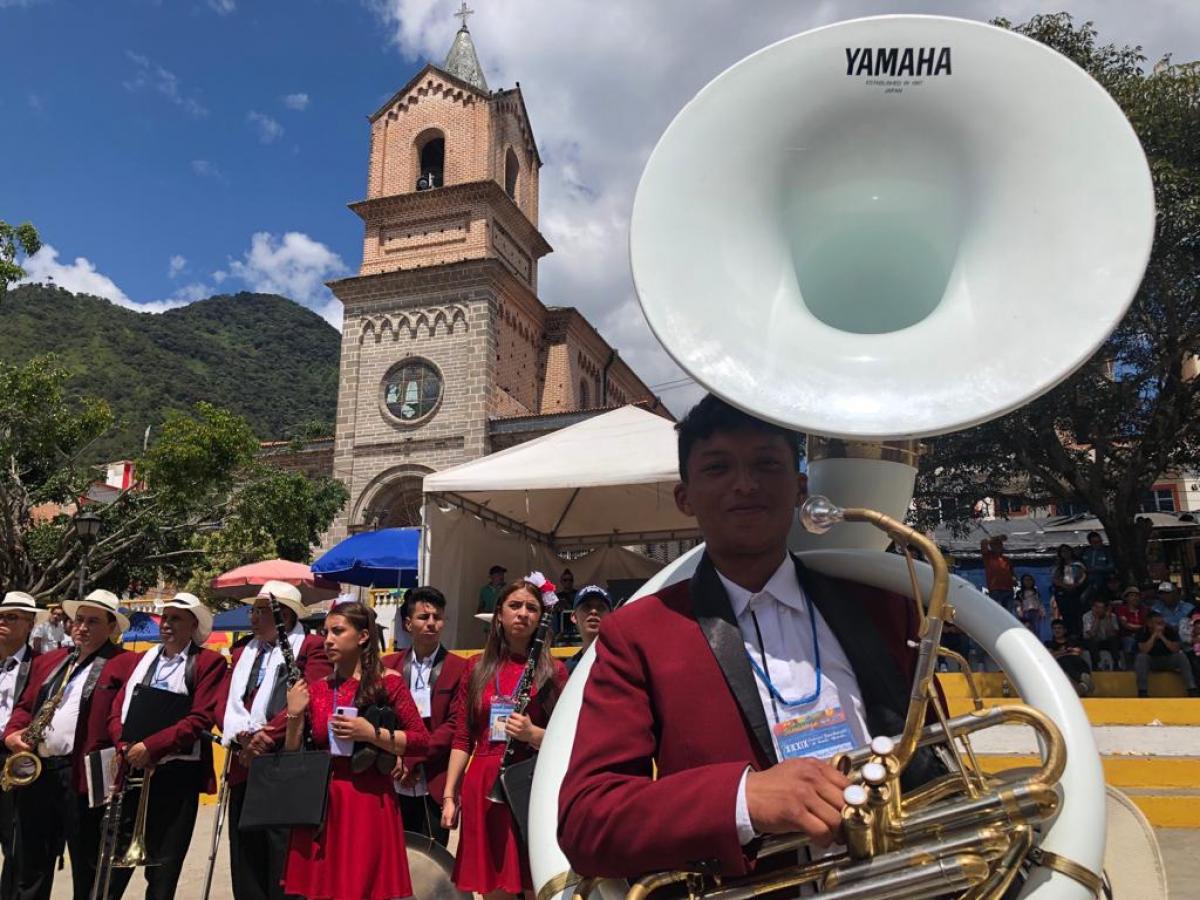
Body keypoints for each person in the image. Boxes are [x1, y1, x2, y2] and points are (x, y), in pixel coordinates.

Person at [559, 394, 942, 880]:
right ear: (685, 497)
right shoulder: (636, 633)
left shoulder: (886, 606)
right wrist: (742, 799)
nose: (746, 484)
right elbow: (586, 821)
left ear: (800, 487)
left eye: (767, 463)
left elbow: (932, 757)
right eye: (718, 468)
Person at [282, 601, 429, 900]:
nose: (328, 640)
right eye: (325, 633)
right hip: (326, 798)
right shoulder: (318, 687)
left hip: (369, 798)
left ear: (363, 636)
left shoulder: (388, 682)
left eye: (338, 631)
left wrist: (372, 734)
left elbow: (420, 740)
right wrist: (294, 714)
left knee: (365, 888)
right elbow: (292, 750)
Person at [3, 589, 135, 900]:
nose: (82, 627)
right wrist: (13, 735)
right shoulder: (51, 659)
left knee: (86, 862)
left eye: (93, 621)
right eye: (78, 620)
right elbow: (24, 706)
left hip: (84, 775)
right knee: (31, 860)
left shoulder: (125, 663)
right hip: (39, 771)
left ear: (112, 627)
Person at [442, 577, 568, 899]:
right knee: (495, 889)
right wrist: (449, 795)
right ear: (499, 614)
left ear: (541, 618)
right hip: (484, 785)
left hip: (529, 783)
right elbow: (462, 736)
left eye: (531, 608)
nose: (523, 613)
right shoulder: (476, 668)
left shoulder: (554, 670)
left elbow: (568, 738)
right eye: (515, 606)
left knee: (536, 883)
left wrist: (533, 734)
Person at [104, 593, 227, 900]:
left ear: (193, 625)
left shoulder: (208, 662)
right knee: (114, 869)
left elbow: (199, 717)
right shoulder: (143, 658)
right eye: (166, 617)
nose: (167, 624)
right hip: (133, 769)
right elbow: (118, 708)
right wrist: (125, 745)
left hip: (177, 774)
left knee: (164, 869)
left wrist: (152, 747)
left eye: (176, 618)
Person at [215, 580, 331, 900]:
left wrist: (266, 737)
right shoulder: (242, 651)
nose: (254, 618)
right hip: (243, 759)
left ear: (288, 615)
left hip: (284, 761)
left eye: (263, 611)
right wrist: (242, 735)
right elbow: (223, 701)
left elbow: (309, 696)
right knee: (245, 853)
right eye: (253, 610)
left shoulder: (309, 648)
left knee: (282, 851)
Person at [383, 586, 468, 847]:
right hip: (394, 774)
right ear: (408, 623)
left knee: (433, 860)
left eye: (437, 617)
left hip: (435, 777)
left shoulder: (458, 667)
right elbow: (384, 718)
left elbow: (455, 723)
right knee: (393, 855)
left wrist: (414, 755)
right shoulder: (389, 666)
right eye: (423, 617)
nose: (431, 623)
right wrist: (397, 756)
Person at [0, 592, 46, 897]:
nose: (2, 621)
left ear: (29, 624)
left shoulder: (40, 667)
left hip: (13, 757)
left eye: (12, 617)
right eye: (1, 615)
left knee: (16, 845)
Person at [1133, 610, 1199, 698]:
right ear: (1149, 624)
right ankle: (1142, 691)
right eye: (1158, 623)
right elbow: (1144, 650)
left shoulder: (1169, 630)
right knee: (1141, 657)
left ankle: (1192, 689)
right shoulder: (1142, 631)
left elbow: (1176, 649)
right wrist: (1153, 636)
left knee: (1181, 656)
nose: (1161, 625)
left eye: (1162, 623)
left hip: (1168, 659)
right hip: (1151, 661)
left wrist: (1162, 637)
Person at [564, 585, 612, 676]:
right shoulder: (567, 670)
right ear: (574, 617)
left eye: (601, 607)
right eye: (586, 607)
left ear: (611, 616)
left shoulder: (622, 663)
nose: (594, 611)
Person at [1044, 619, 1094, 697]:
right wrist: (1067, 651)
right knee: (1064, 661)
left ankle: (1083, 683)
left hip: (1076, 663)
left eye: (1059, 628)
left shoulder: (1072, 641)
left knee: (1071, 660)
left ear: (1064, 630)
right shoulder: (1049, 643)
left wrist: (1060, 653)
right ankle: (1083, 683)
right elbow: (1050, 656)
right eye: (1055, 628)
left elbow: (1078, 652)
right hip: (1061, 666)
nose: (1057, 630)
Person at [1051, 544, 1088, 636]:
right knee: (1066, 615)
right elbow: (1055, 579)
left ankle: (1079, 635)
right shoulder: (1058, 565)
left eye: (1067, 551)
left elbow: (1083, 576)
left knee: (1078, 615)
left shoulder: (1078, 564)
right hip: (1063, 593)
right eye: (1062, 552)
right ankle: (1069, 634)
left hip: (1076, 591)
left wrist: (1076, 585)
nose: (1065, 553)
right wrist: (1064, 585)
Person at [1081, 598, 1121, 671]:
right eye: (1096, 607)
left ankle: (1117, 664)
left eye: (1101, 607)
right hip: (1091, 641)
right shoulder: (1087, 616)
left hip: (1105, 640)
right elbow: (1092, 634)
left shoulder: (1112, 616)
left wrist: (1108, 618)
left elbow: (1112, 634)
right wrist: (1097, 618)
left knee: (1114, 640)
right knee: (1092, 641)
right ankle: (1097, 665)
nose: (1098, 610)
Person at [1114, 585, 1149, 667]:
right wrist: (1141, 627)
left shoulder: (1144, 609)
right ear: (1126, 598)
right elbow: (1126, 625)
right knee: (1129, 642)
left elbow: (1148, 624)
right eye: (1132, 596)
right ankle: (1130, 668)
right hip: (1128, 635)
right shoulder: (1121, 609)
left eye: (1137, 596)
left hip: (1143, 635)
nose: (1135, 598)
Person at [981, 536, 1015, 613]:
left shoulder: (1007, 559)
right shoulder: (988, 556)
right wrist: (997, 537)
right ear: (991, 546)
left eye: (1000, 544)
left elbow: (1011, 573)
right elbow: (983, 542)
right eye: (995, 545)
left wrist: (1014, 579)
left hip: (1008, 589)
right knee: (996, 612)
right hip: (995, 590)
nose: (998, 546)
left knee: (1008, 614)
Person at [1078, 531, 1115, 599]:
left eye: (1099, 541)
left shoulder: (1107, 551)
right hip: (1087, 581)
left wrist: (1096, 569)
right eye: (1095, 542)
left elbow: (1111, 567)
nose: (1098, 544)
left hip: (1103, 582)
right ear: (1090, 542)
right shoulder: (1085, 551)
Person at [553, 569, 579, 642]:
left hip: (576, 627)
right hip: (561, 628)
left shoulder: (578, 594)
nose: (568, 582)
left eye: (570, 580)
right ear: (561, 582)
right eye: (565, 580)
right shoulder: (557, 596)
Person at [1015, 573, 1045, 638]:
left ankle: (1037, 642)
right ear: (1022, 582)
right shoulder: (1020, 593)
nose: (1028, 582)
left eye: (1030, 580)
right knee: (1027, 629)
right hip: (1026, 613)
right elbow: (1018, 604)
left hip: (1036, 613)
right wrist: (1020, 614)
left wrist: (1042, 612)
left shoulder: (1036, 592)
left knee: (1036, 629)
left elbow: (1039, 603)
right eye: (1026, 580)